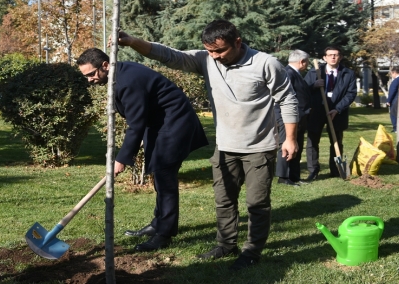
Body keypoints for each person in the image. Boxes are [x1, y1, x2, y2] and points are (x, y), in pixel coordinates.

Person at [114, 19, 299, 271]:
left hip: (258, 147)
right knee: (224, 201)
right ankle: (226, 244)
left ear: (237, 42)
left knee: (256, 204)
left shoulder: (265, 63)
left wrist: (290, 138)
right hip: (224, 147)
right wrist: (133, 42)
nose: (215, 56)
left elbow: (288, 99)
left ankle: (252, 251)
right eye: (210, 51)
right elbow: (170, 56)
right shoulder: (207, 60)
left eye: (220, 51)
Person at [76, 48, 209, 253]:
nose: (90, 80)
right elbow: (140, 118)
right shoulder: (120, 74)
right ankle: (158, 223)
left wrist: (121, 159)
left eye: (91, 74)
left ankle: (164, 234)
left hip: (174, 125)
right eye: (86, 76)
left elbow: (136, 124)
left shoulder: (128, 81)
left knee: (165, 176)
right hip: (159, 124)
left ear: (105, 65)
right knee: (159, 175)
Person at [304, 46, 357, 179]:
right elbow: (304, 91)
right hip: (317, 111)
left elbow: (351, 94)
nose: (333, 57)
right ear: (324, 58)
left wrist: (337, 109)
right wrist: (314, 85)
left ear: (340, 57)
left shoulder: (348, 73)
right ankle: (313, 170)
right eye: (330, 55)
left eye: (336, 54)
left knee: (336, 141)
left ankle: (336, 170)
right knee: (312, 141)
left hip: (337, 112)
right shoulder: (314, 72)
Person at [275, 50, 312, 186]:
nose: (307, 65)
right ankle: (283, 177)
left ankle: (294, 176)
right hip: (287, 117)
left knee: (296, 146)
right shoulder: (288, 74)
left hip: (299, 117)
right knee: (286, 145)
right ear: (302, 62)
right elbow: (283, 98)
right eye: (307, 62)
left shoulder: (296, 74)